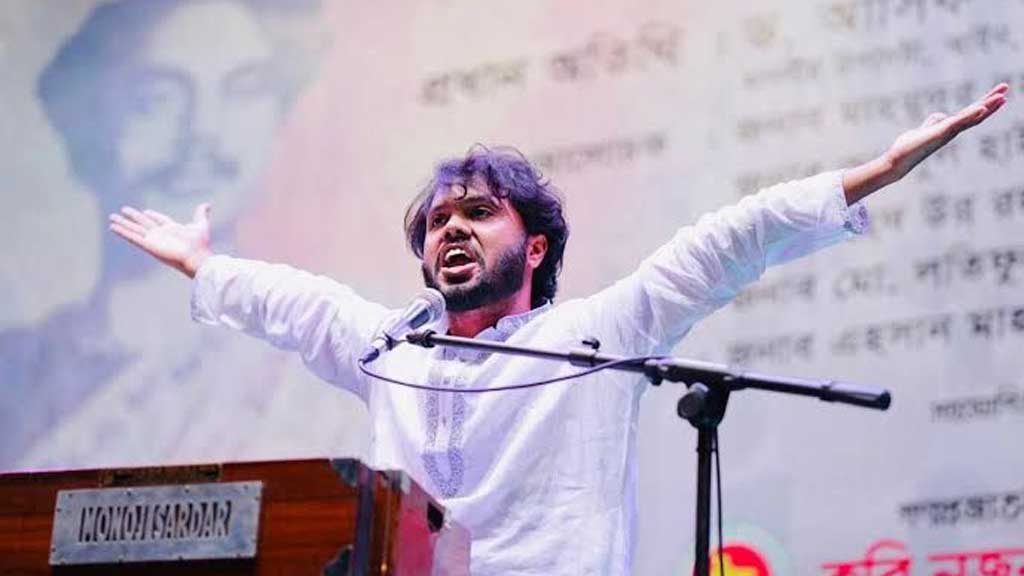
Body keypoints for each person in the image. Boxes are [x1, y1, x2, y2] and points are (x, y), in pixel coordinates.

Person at [109, 85, 1008, 575]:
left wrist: (872, 173)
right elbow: (292, 301)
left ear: (535, 246)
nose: (451, 229)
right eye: (437, 221)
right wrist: (202, 265)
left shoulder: (596, 335)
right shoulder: (389, 350)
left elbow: (730, 240)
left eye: (478, 213)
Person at [0, 0, 339, 469]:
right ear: (88, 127)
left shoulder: (315, 356)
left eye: (242, 92)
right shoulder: (18, 364)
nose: (203, 133)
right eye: (158, 98)